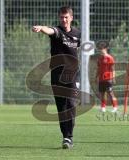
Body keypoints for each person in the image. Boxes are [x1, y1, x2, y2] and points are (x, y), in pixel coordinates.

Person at [32, 6, 81, 149]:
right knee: (62, 107)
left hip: (72, 75)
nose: (64, 20)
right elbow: (50, 30)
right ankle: (66, 137)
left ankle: (69, 136)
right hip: (57, 75)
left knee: (71, 104)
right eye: (61, 17)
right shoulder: (57, 31)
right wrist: (41, 27)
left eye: (66, 17)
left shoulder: (78, 33)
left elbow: (76, 49)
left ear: (71, 18)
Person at [95, 41, 118, 113]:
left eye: (101, 49)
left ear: (105, 49)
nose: (100, 50)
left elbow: (113, 69)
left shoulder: (110, 58)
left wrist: (113, 78)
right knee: (102, 93)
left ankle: (115, 107)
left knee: (110, 93)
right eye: (99, 49)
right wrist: (96, 77)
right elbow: (98, 68)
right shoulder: (99, 58)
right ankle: (103, 107)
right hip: (101, 79)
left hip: (108, 79)